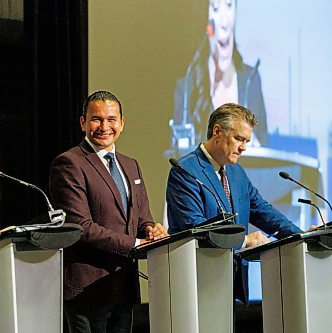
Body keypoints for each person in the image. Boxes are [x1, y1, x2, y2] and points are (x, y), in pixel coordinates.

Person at [49, 90, 167, 332]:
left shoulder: (130, 164)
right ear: (83, 122)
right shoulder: (69, 163)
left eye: (112, 119)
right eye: (96, 119)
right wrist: (135, 243)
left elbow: (141, 217)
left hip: (124, 286)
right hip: (87, 290)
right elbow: (80, 226)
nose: (104, 126)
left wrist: (151, 229)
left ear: (122, 124)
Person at [166, 102, 303, 302]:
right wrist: (245, 241)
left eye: (247, 141)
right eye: (239, 139)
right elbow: (194, 228)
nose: (243, 148)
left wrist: (301, 235)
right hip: (198, 281)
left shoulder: (236, 171)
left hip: (233, 280)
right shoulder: (186, 171)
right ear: (217, 132)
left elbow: (262, 210)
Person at [170, 0, 268, 155]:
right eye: (215, 9)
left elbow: (265, 146)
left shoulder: (251, 80)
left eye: (229, 6)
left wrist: (255, 146)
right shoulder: (187, 88)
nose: (224, 21)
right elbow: (178, 155)